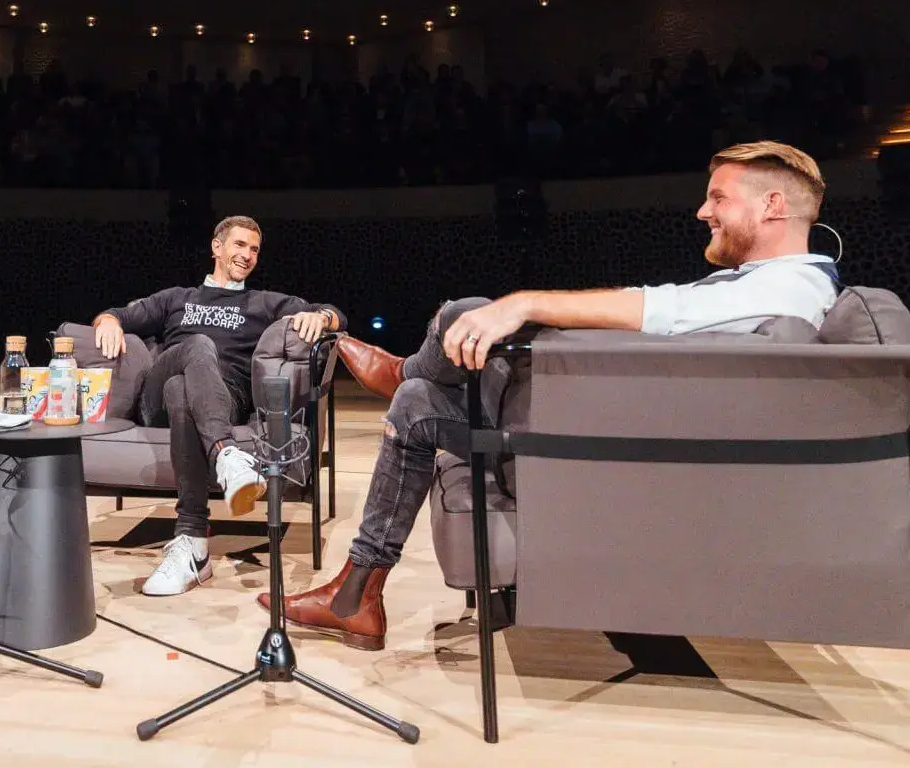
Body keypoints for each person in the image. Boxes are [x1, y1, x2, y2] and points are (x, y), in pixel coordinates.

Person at [278, 141, 840, 650]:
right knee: (419, 398)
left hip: (593, 451)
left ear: (772, 205)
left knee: (460, 320)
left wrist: (523, 304)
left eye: (718, 198)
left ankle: (402, 373)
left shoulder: (789, 287)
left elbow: (655, 308)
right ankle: (356, 594)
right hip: (599, 430)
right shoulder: (762, 286)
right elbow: (659, 314)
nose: (702, 211)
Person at [88, 216, 346, 596]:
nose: (247, 255)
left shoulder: (263, 302)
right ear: (217, 247)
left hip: (224, 400)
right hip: (156, 404)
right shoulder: (177, 298)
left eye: (254, 249)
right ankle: (226, 456)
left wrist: (320, 316)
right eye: (240, 245)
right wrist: (108, 322)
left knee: (181, 389)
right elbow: (117, 314)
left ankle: (193, 544)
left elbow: (336, 313)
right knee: (196, 347)